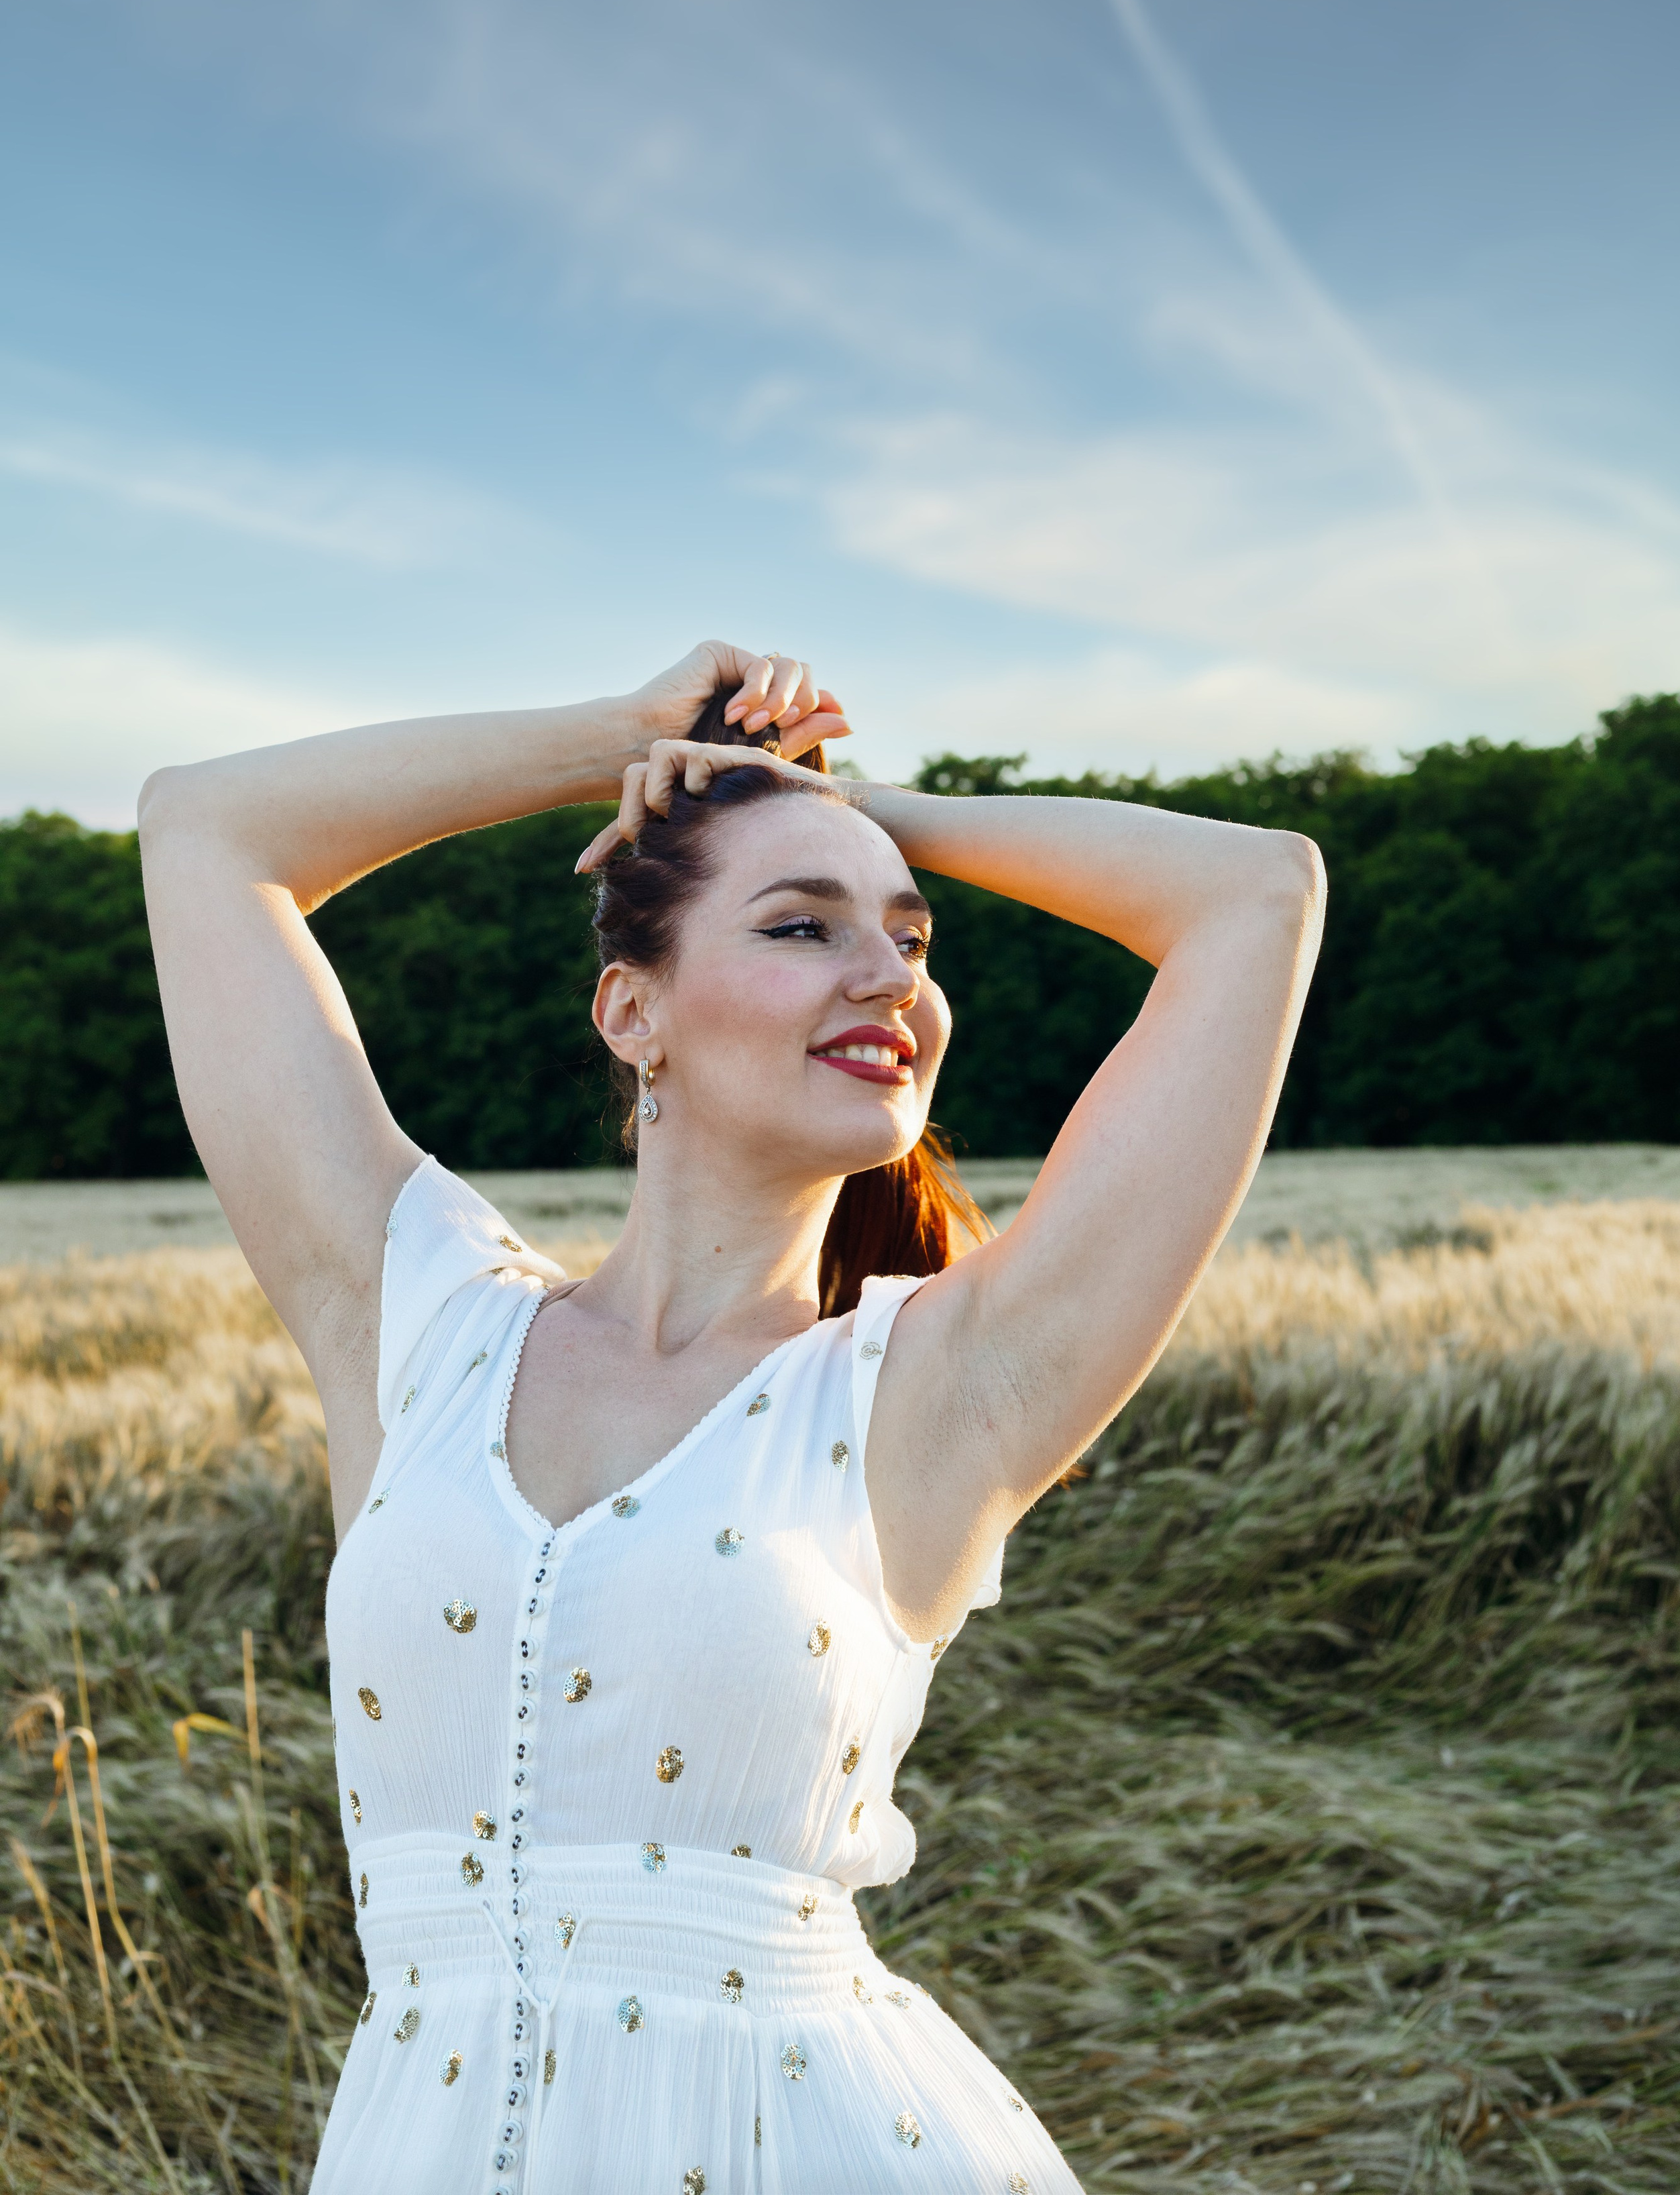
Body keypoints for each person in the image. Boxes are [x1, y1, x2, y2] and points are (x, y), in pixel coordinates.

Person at [139, 637, 1324, 2195]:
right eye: (799, 925)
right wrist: (614, 739)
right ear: (633, 1013)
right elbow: (203, 831)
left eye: (908, 940)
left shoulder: (934, 1390)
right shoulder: (413, 1324)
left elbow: (1256, 894)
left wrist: (845, 809)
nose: (886, 973)